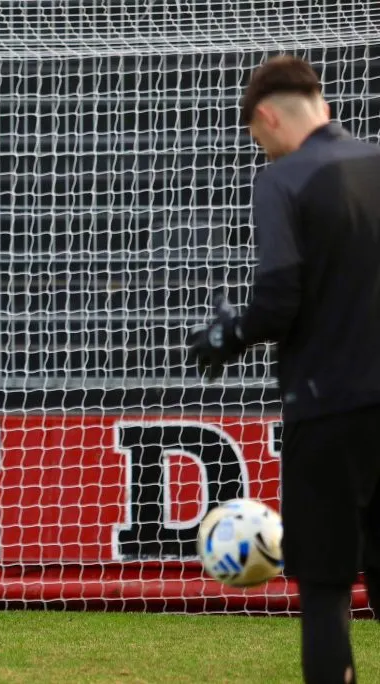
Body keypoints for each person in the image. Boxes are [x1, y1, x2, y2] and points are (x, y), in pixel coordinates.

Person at [187, 54, 380, 684]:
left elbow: (278, 301)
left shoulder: (283, 179)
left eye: (257, 138)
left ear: (266, 117)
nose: (262, 149)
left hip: (329, 411)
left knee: (326, 590)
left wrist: (228, 333)